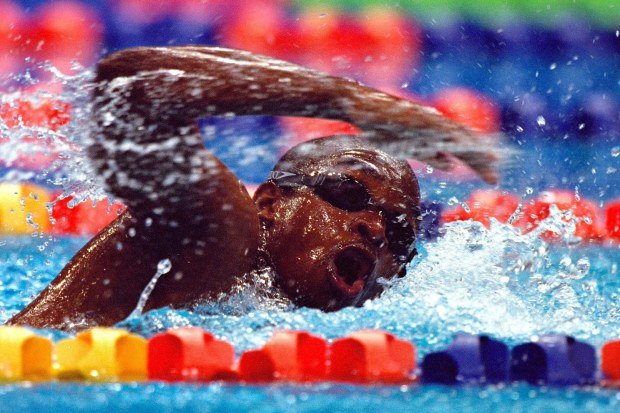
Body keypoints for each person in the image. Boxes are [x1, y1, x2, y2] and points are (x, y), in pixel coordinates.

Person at [8, 46, 498, 330]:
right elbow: (132, 85)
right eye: (348, 193)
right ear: (269, 204)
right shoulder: (225, 230)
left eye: (400, 231)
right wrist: (344, 98)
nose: (374, 227)